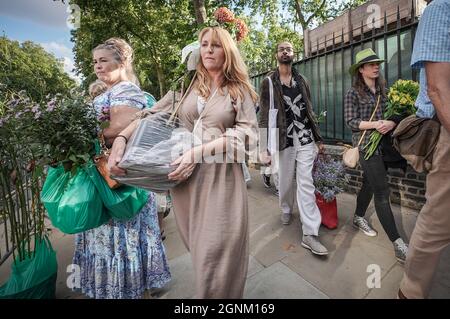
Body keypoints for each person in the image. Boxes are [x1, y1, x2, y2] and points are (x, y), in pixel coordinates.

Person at [108, 27, 259, 299]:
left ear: (228, 51)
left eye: (216, 45)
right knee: (201, 254)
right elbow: (150, 115)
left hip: (221, 180)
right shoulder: (185, 87)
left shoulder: (239, 90)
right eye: (204, 44)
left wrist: (198, 152)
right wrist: (120, 139)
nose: (209, 50)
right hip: (184, 184)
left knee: (217, 254)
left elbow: (248, 135)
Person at [72, 38, 171, 299]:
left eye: (103, 60)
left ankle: (130, 289)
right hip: (105, 178)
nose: (97, 67)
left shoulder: (127, 91)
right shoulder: (108, 92)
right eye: (95, 62)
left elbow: (118, 131)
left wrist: (77, 138)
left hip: (121, 181)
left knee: (123, 235)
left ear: (122, 62)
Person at [399, 0, 450, 299]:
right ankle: (410, 292)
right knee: (437, 222)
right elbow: (438, 89)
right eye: (370, 65)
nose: (374, 68)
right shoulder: (441, 9)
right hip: (446, 130)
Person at [258, 41, 328, 256]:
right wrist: (263, 147)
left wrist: (318, 138)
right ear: (276, 54)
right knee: (285, 181)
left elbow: (309, 109)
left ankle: (310, 232)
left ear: (293, 54)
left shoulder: (301, 80)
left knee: (306, 183)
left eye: (289, 49)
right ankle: (286, 208)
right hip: (283, 139)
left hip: (305, 138)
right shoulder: (268, 82)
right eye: (282, 49)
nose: (286, 52)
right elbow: (263, 115)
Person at [344, 48, 408, 264]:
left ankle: (358, 217)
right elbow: (352, 122)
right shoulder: (353, 93)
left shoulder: (385, 91)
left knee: (370, 185)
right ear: (361, 69)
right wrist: (375, 125)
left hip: (385, 147)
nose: (376, 66)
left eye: (377, 63)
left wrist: (391, 122)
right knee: (382, 192)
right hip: (365, 147)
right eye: (371, 64)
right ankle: (398, 244)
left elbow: (395, 115)